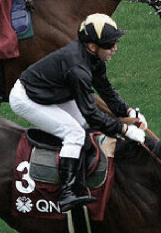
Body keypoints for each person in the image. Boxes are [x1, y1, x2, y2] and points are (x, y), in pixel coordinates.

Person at [9, 13, 148, 212]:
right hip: (28, 99)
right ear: (92, 46)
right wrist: (124, 129)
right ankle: (66, 193)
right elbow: (91, 112)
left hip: (53, 92)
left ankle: (80, 178)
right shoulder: (78, 69)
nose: (114, 48)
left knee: (85, 126)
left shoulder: (93, 57)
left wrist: (128, 111)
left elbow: (105, 89)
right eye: (110, 44)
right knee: (74, 133)